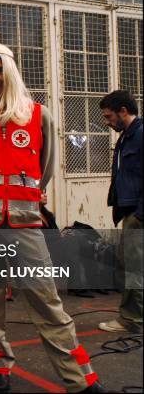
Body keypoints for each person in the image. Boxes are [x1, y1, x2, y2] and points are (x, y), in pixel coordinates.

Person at [0, 43, 105, 393]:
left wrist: (27, 198)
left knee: (48, 302)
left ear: (9, 72)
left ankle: (80, 380)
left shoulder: (38, 115)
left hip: (27, 226)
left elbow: (46, 169)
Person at [98, 90, 143, 333]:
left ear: (123, 112)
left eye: (108, 116)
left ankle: (132, 319)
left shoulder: (140, 135)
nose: (107, 122)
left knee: (134, 266)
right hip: (130, 210)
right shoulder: (127, 136)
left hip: (137, 213)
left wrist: (138, 215)